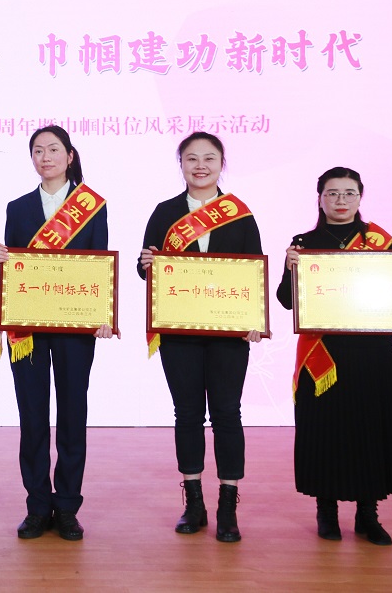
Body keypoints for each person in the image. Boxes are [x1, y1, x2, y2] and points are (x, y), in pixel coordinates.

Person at [276, 166, 392, 546]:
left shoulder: (379, 241)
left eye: (349, 193)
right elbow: (287, 301)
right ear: (320, 198)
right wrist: (290, 269)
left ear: (360, 196)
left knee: (370, 430)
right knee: (325, 432)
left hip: (372, 354)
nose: (341, 200)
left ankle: (368, 514)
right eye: (333, 193)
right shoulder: (304, 242)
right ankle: (326, 511)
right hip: (324, 353)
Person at [137, 131, 262, 543]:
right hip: (179, 332)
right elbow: (145, 267)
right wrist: (147, 262)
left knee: (227, 413)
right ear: (181, 164)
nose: (201, 165)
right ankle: (193, 503)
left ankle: (228, 506)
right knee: (187, 413)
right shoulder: (165, 212)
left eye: (209, 158)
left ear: (222, 163)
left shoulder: (239, 214)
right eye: (192, 158)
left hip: (228, 334)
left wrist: (254, 318)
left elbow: (254, 273)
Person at [0, 125, 114, 542]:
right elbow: (13, 267)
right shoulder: (18, 208)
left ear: (70, 156)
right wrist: (1, 258)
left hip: (74, 327)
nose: (45, 157)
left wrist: (102, 313)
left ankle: (67, 507)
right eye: (38, 151)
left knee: (72, 415)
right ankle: (37, 505)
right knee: (32, 417)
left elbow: (100, 264)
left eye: (54, 149)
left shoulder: (92, 206)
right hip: (28, 326)